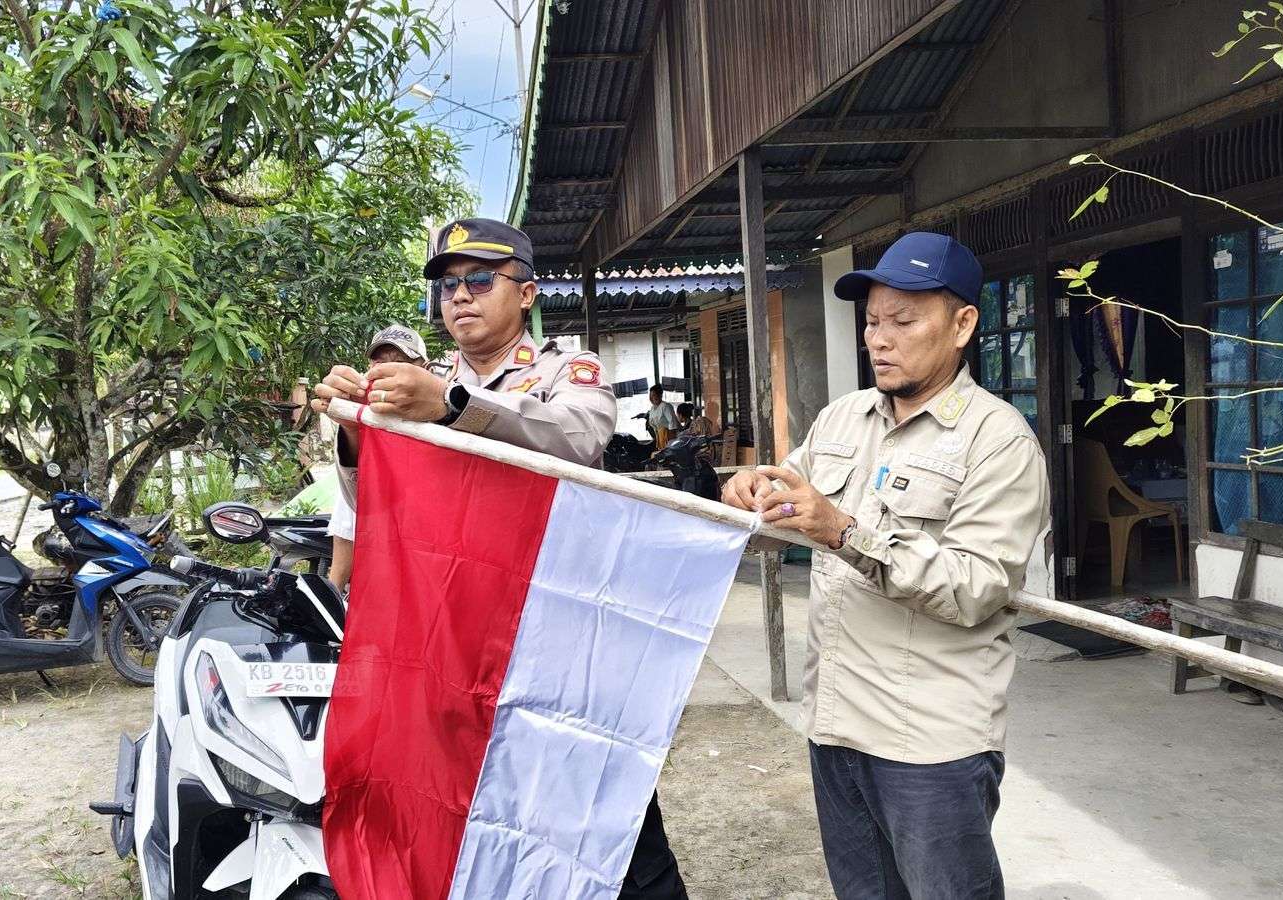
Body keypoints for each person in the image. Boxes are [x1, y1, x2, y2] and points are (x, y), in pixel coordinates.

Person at [311, 217, 687, 899]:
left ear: (526, 292)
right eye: (448, 286)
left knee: (610, 819)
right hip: (454, 643)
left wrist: (452, 408)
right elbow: (376, 505)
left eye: (480, 279)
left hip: (556, 634)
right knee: (479, 813)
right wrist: (357, 431)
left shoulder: (566, 372)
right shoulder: (418, 382)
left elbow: (574, 438)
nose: (460, 296)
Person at [722, 232, 1049, 900]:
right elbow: (788, 501)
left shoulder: (998, 440)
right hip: (836, 725)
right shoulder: (845, 418)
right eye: (872, 321)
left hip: (930, 744)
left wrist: (844, 530)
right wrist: (752, 493)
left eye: (904, 320)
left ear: (962, 325)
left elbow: (976, 588)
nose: (880, 337)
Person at [324, 324, 429, 591]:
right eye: (379, 363)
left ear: (424, 370)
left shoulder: (439, 413)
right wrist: (349, 423)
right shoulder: (364, 415)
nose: (388, 373)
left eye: (401, 363)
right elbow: (357, 502)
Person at [645, 384, 680, 450]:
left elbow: (673, 424)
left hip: (668, 437)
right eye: (650, 396)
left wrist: (670, 443)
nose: (652, 398)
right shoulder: (652, 409)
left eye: (654, 395)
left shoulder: (666, 406)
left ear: (660, 395)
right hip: (659, 438)